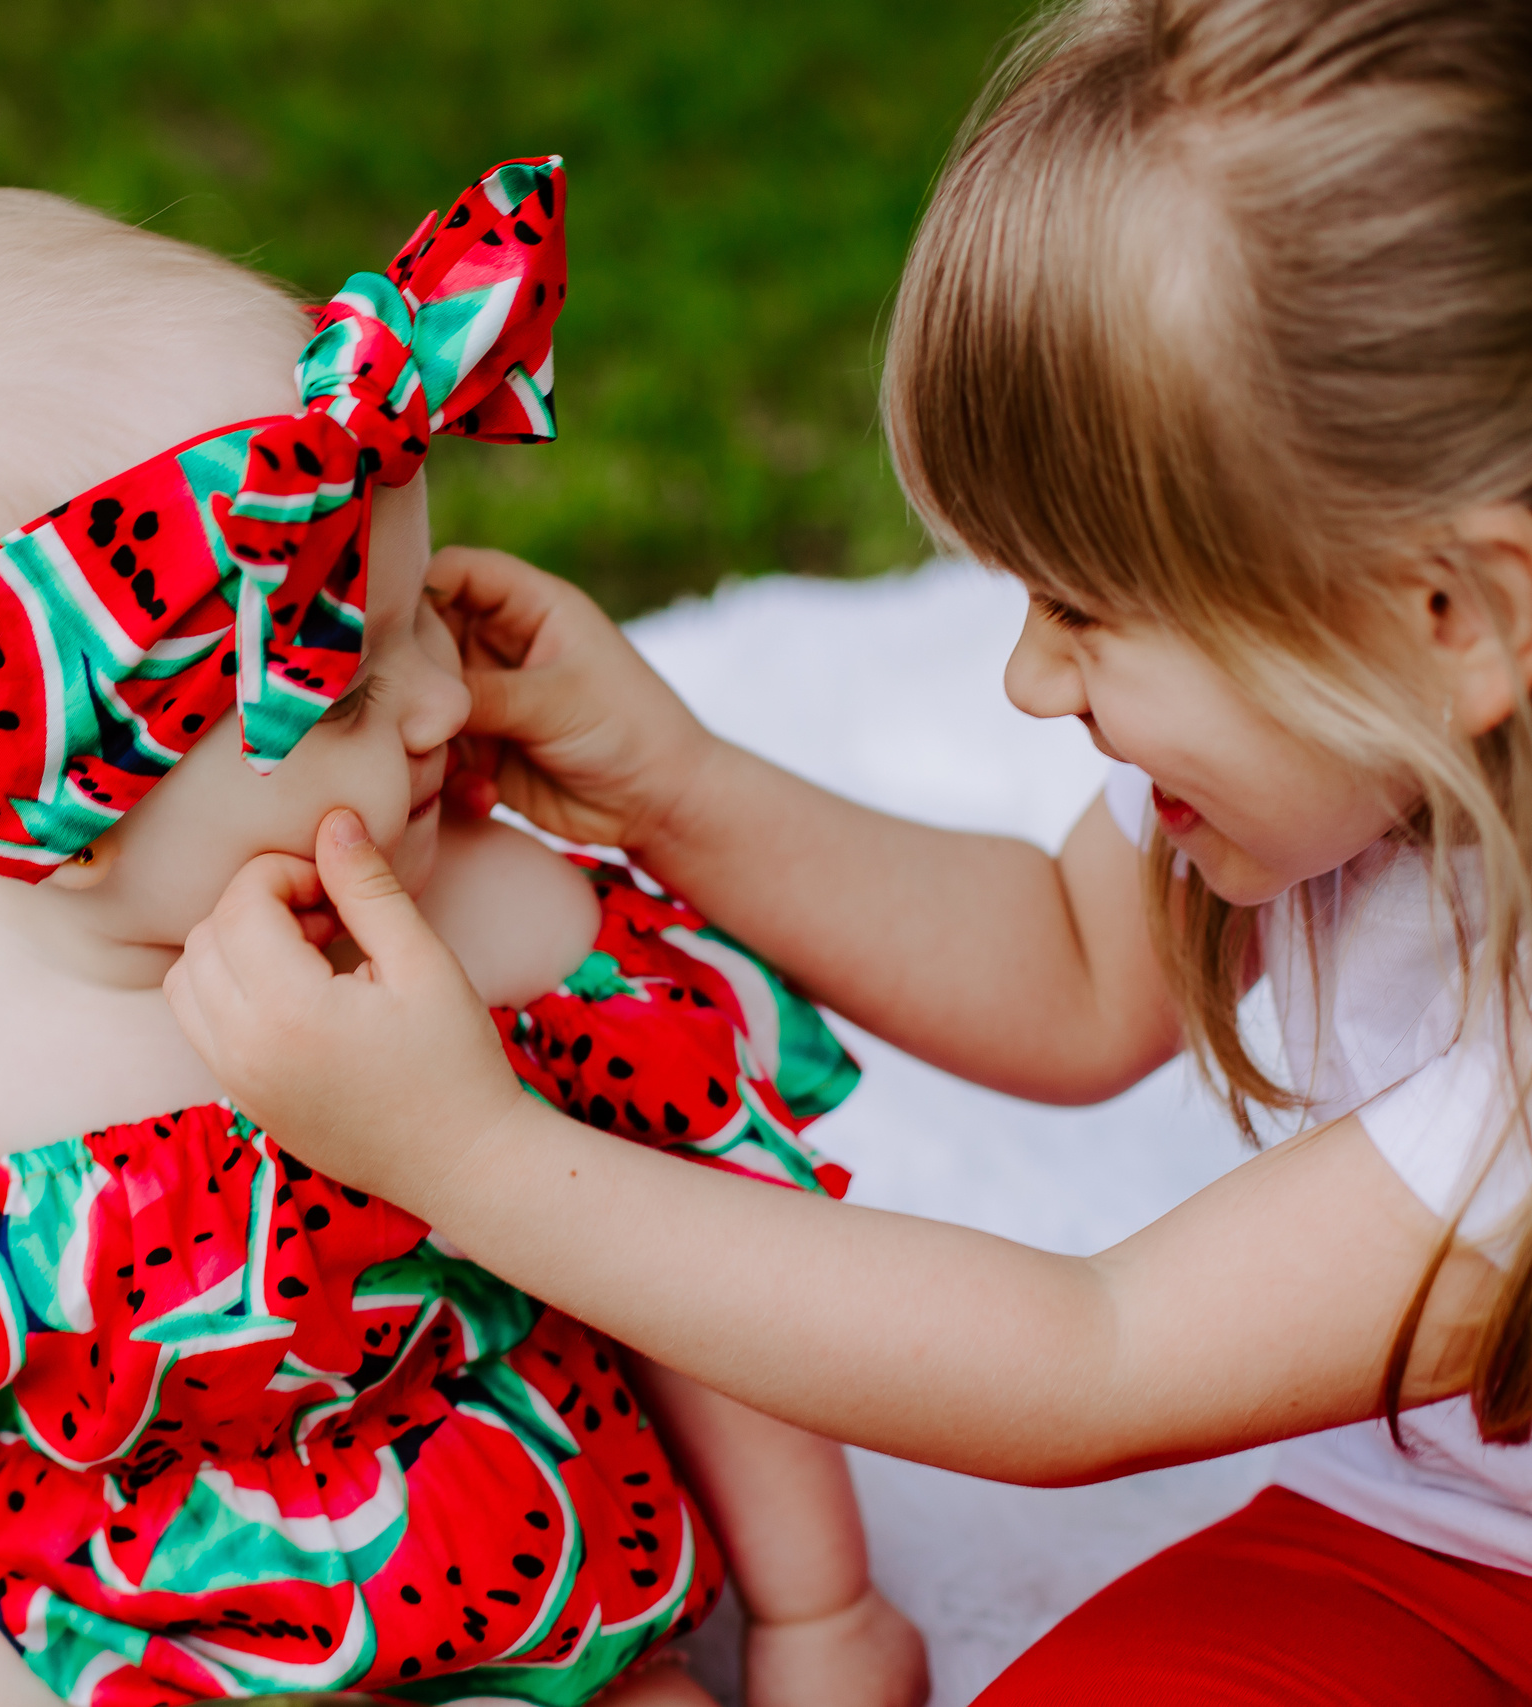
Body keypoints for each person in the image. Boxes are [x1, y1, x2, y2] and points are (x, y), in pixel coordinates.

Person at [163, 3, 1532, 1701]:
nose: (1030, 683)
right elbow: (1071, 969)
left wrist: (466, 1155)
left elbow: (1091, 1360)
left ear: (1453, 615)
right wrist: (675, 784)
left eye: (1090, 611)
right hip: (1435, 1541)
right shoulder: (1362, 741)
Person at [0, 162, 927, 1707]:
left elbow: (702, 1283)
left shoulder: (508, 933)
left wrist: (818, 1608)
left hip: (489, 1566)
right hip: (72, 1603)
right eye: (354, 686)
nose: (445, 700)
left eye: (423, 620)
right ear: (63, 807)